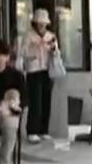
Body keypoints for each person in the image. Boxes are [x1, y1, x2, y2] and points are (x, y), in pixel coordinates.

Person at [18, 8, 61, 143]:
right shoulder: (29, 36)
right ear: (35, 23)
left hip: (47, 70)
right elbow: (23, 52)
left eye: (43, 24)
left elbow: (57, 53)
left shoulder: (51, 36)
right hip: (33, 70)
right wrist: (35, 48)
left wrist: (53, 49)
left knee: (46, 101)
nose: (41, 26)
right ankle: (32, 130)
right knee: (35, 101)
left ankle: (43, 130)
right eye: (39, 23)